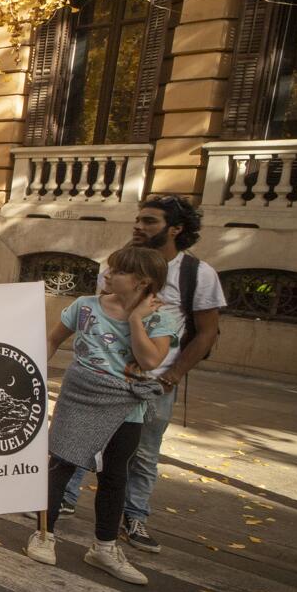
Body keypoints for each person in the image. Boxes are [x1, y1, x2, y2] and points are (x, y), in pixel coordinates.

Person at [29, 245, 180, 584]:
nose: (106, 275)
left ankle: (104, 547)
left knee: (115, 474)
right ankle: (43, 534)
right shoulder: (84, 307)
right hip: (81, 396)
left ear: (142, 282)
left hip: (127, 405)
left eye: (116, 271)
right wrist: (33, 374)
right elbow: (52, 340)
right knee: (62, 464)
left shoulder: (160, 317)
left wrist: (137, 319)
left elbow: (149, 362)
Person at [111, 195, 226, 553]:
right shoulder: (121, 262)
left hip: (156, 382)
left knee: (144, 453)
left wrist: (172, 375)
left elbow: (207, 332)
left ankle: (135, 517)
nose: (138, 227)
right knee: (87, 443)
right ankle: (64, 501)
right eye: (138, 220)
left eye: (149, 221)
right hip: (111, 376)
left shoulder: (198, 274)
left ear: (176, 229)